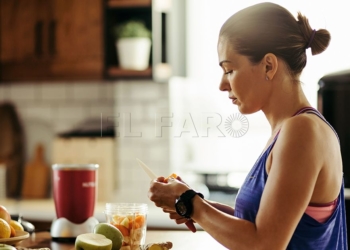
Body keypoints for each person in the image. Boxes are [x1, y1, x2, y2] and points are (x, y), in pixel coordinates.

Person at [148, 2, 348, 249]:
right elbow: (264, 225)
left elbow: (266, 244)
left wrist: (189, 203)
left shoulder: (302, 131)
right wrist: (193, 203)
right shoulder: (289, 130)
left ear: (268, 65)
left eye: (229, 70)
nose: (222, 84)